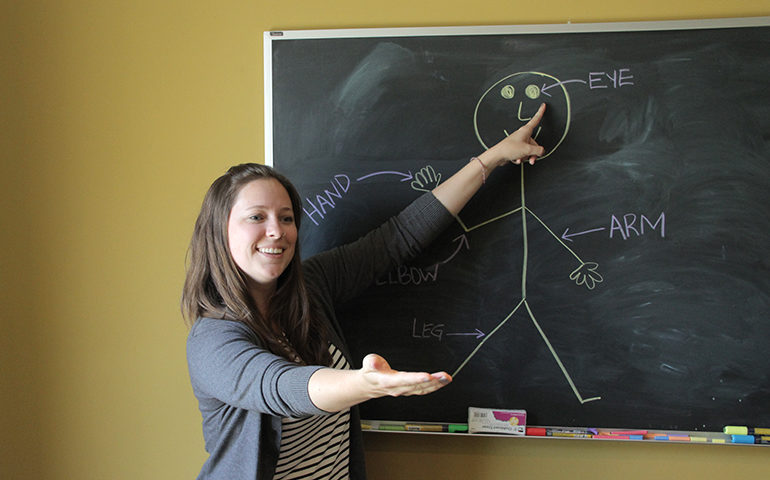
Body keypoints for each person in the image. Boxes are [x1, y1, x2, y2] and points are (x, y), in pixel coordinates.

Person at [182, 104, 547, 479]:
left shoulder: (312, 287)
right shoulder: (213, 338)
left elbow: (398, 238)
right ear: (219, 232)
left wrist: (492, 158)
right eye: (257, 217)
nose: (277, 231)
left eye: (286, 217)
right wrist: (363, 383)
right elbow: (279, 386)